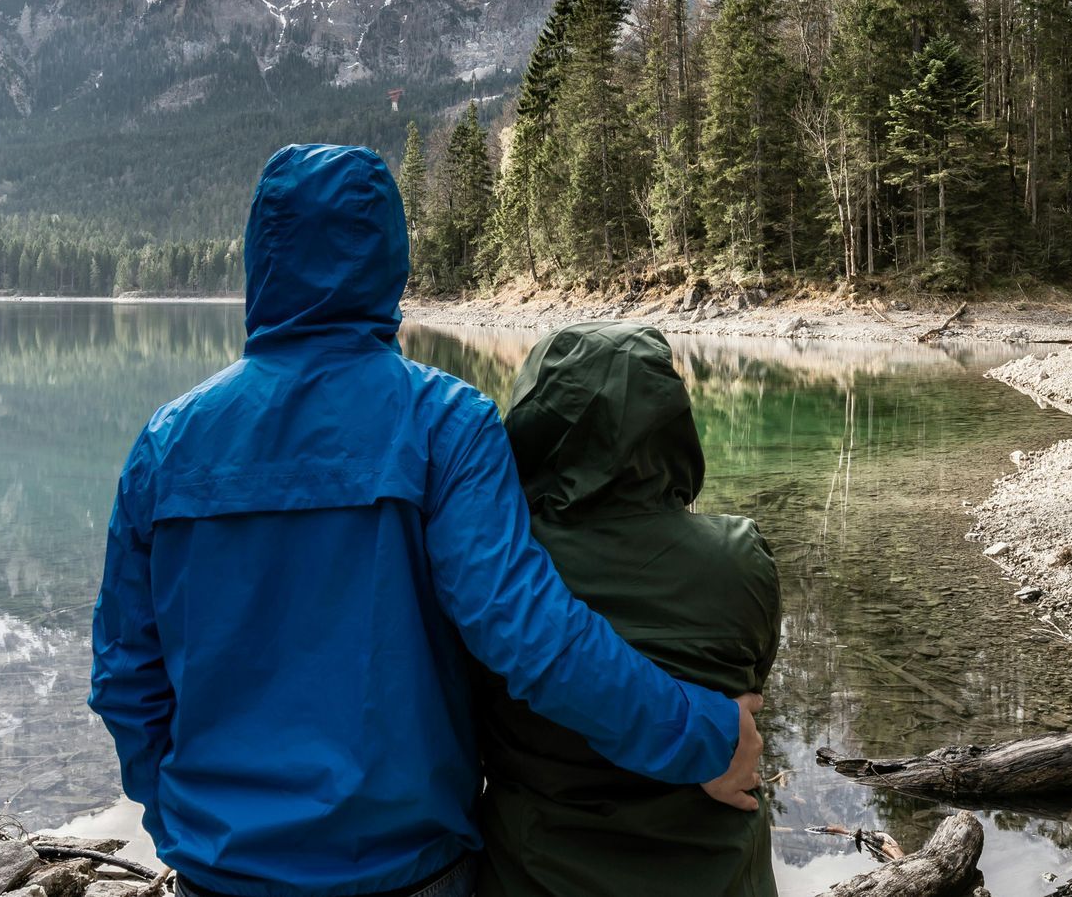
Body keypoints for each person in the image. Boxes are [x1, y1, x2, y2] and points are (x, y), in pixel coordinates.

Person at [88, 144, 761, 897]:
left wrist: (187, 817)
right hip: (407, 871)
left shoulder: (167, 442)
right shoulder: (446, 423)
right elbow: (530, 638)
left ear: (260, 256)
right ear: (390, 261)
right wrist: (705, 736)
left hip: (220, 873)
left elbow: (124, 680)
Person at [477, 322, 781, 897]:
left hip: (536, 875)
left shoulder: (502, 570)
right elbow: (752, 689)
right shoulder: (740, 558)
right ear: (669, 420)